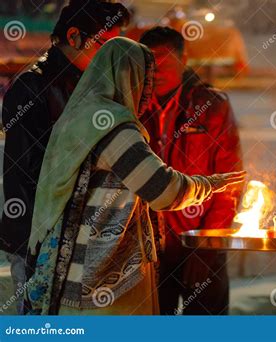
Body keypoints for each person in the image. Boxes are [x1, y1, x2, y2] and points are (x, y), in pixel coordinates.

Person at [24, 36, 246, 315]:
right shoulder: (112, 126)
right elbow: (162, 190)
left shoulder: (79, 114)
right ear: (128, 75)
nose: (150, 88)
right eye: (147, 77)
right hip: (100, 275)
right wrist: (211, 185)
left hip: (71, 265)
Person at [0, 0, 130, 314]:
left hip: (77, 235)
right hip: (37, 238)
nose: (112, 57)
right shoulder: (32, 88)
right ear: (74, 37)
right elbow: (30, 173)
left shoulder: (92, 85)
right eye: (105, 44)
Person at [139, 27, 243, 315]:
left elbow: (231, 181)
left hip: (200, 237)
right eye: (148, 63)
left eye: (163, 61)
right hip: (148, 247)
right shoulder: (133, 107)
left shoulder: (212, 106)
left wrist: (206, 246)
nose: (155, 71)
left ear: (183, 59)